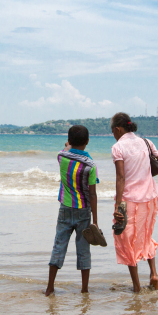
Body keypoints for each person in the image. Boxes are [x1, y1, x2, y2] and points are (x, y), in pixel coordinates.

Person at [110, 112, 158, 292]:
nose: (113, 134)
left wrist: (119, 205)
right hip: (150, 198)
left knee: (127, 239)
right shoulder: (147, 142)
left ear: (118, 129)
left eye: (113, 131)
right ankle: (153, 274)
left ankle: (136, 287)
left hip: (130, 200)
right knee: (145, 235)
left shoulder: (118, 147)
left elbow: (120, 177)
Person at [44, 124, 99, 296]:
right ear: (87, 141)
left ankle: (50, 287)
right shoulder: (90, 165)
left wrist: (67, 145)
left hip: (65, 208)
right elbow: (92, 194)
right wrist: (95, 220)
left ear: (69, 140)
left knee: (59, 245)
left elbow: (66, 148)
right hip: (83, 210)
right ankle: (84, 289)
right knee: (83, 250)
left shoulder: (61, 157)